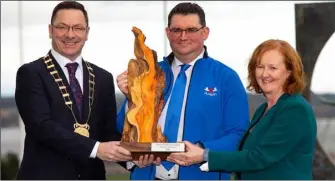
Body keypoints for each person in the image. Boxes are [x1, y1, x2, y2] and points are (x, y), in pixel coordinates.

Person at [116, 2, 250, 180]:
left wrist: (203, 150)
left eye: (191, 30)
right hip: (147, 174)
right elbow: (121, 128)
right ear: (167, 32)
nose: (183, 36)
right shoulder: (149, 74)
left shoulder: (226, 78)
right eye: (177, 30)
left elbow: (239, 134)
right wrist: (131, 98)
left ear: (205, 32)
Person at [167, 39, 318, 180]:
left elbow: (260, 158)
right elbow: (245, 154)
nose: (265, 74)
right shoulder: (263, 110)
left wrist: (204, 155)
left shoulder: (295, 109)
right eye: (260, 67)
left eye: (273, 68)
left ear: (289, 72)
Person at [15, 1, 132, 179]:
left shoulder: (103, 78)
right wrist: (96, 149)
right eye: (62, 27)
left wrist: (134, 158)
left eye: (78, 28)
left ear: (87, 32)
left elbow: (108, 134)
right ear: (50, 30)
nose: (70, 35)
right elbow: (41, 127)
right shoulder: (31, 73)